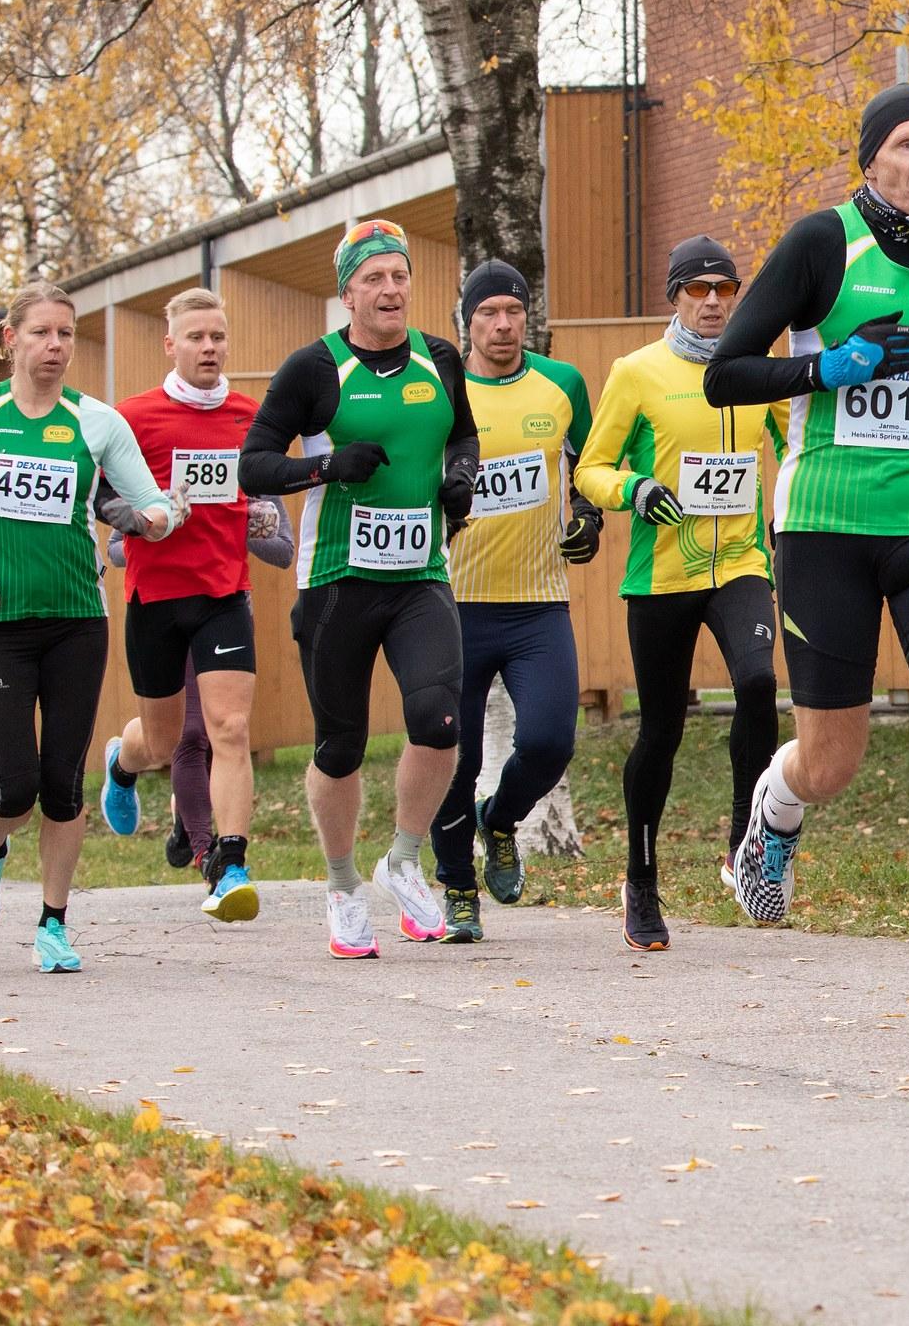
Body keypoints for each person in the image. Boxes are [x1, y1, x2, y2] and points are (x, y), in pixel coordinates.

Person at [705, 84, 909, 1041]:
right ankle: (776, 804)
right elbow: (729, 370)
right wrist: (830, 367)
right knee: (833, 759)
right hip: (823, 529)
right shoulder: (821, 244)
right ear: (871, 159)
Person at [0, 282, 187, 973]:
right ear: (12, 340)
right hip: (0, 623)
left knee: (62, 785)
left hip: (77, 623)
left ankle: (53, 925)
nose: (56, 347)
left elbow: (161, 507)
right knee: (14, 786)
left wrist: (139, 520)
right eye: (41, 333)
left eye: (66, 334)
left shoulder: (95, 422)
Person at [238, 218, 478, 959]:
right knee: (339, 746)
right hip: (337, 580)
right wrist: (324, 470)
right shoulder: (314, 368)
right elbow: (253, 466)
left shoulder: (439, 359)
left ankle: (403, 861)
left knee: (439, 722)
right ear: (347, 294)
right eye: (373, 278)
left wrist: (461, 478)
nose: (390, 289)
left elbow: (462, 434)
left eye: (400, 276)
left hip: (419, 577)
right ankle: (343, 886)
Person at [578, 236, 785, 952]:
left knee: (759, 686)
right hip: (663, 574)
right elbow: (591, 469)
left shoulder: (757, 370)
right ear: (675, 298)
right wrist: (635, 489)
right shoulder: (636, 372)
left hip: (739, 563)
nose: (713, 302)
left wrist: (798, 510)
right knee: (660, 729)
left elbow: (798, 445)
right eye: (697, 290)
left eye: (724, 289)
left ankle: (743, 842)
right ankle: (640, 879)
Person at [94, 287, 293, 921]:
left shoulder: (248, 417)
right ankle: (121, 765)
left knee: (229, 729)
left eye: (218, 337)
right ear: (170, 343)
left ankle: (229, 864)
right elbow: (102, 504)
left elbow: (269, 510)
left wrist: (263, 517)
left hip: (223, 596)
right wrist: (140, 515)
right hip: (155, 598)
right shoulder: (133, 418)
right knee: (159, 742)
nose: (209, 348)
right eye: (197, 337)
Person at [430, 259, 602, 943]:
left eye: (514, 313)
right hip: (455, 605)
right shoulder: (443, 393)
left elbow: (591, 464)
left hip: (537, 605)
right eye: (487, 315)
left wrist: (588, 515)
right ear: (466, 324)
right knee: (454, 755)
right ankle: (458, 889)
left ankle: (498, 820)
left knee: (550, 740)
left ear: (530, 318)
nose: (502, 327)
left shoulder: (561, 384)